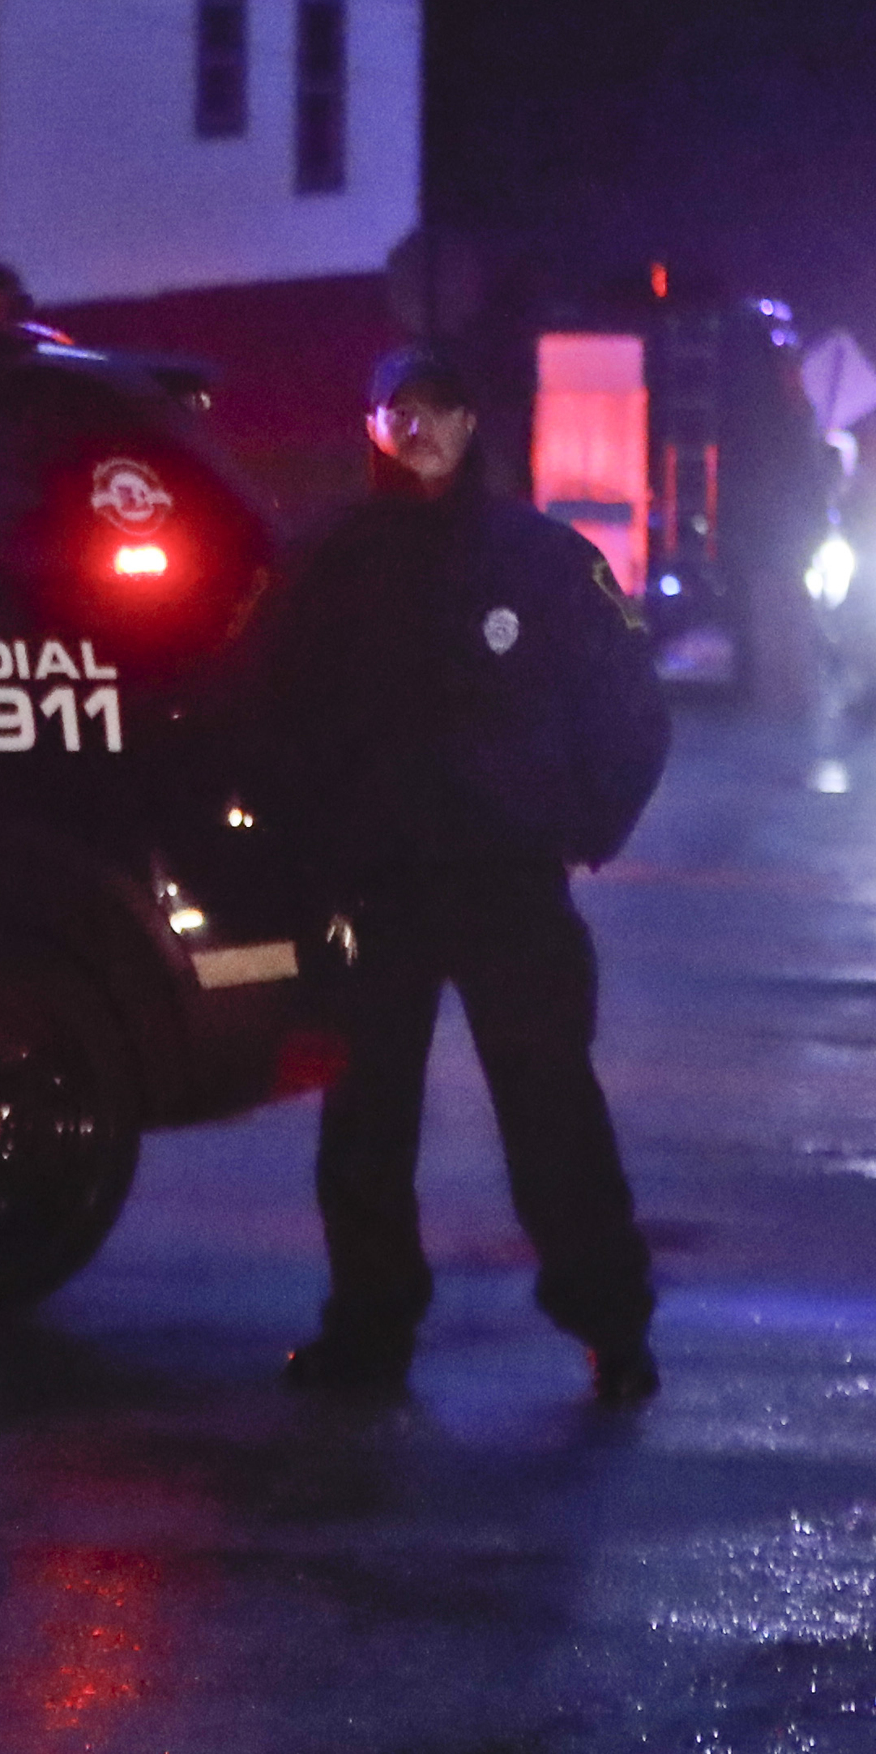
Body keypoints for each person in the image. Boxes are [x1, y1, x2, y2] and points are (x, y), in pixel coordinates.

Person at [254, 343, 665, 1403]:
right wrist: (308, 852)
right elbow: (270, 716)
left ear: (472, 422)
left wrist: (584, 822)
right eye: (400, 408)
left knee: (551, 1112)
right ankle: (368, 1331)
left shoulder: (538, 559)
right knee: (365, 1125)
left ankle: (612, 1327)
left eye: (441, 407)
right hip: (379, 890)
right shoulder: (330, 565)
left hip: (506, 885)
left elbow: (628, 701)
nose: (421, 427)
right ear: (372, 424)